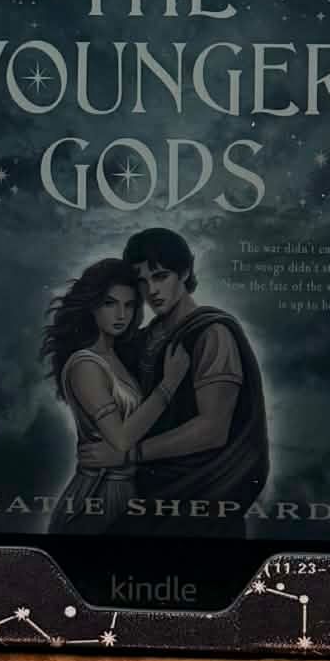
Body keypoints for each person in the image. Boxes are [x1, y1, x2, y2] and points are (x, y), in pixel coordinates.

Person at [77, 229, 269, 537]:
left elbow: (212, 429)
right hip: (140, 491)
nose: (151, 290)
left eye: (161, 276)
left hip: (199, 496)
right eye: (141, 281)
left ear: (185, 272)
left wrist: (128, 455)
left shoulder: (212, 333)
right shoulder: (142, 338)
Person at [39, 257, 190, 535]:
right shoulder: (85, 364)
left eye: (129, 305)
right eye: (110, 303)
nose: (121, 314)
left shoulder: (116, 356)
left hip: (126, 491)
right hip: (96, 493)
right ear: (92, 306)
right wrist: (169, 384)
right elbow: (120, 439)